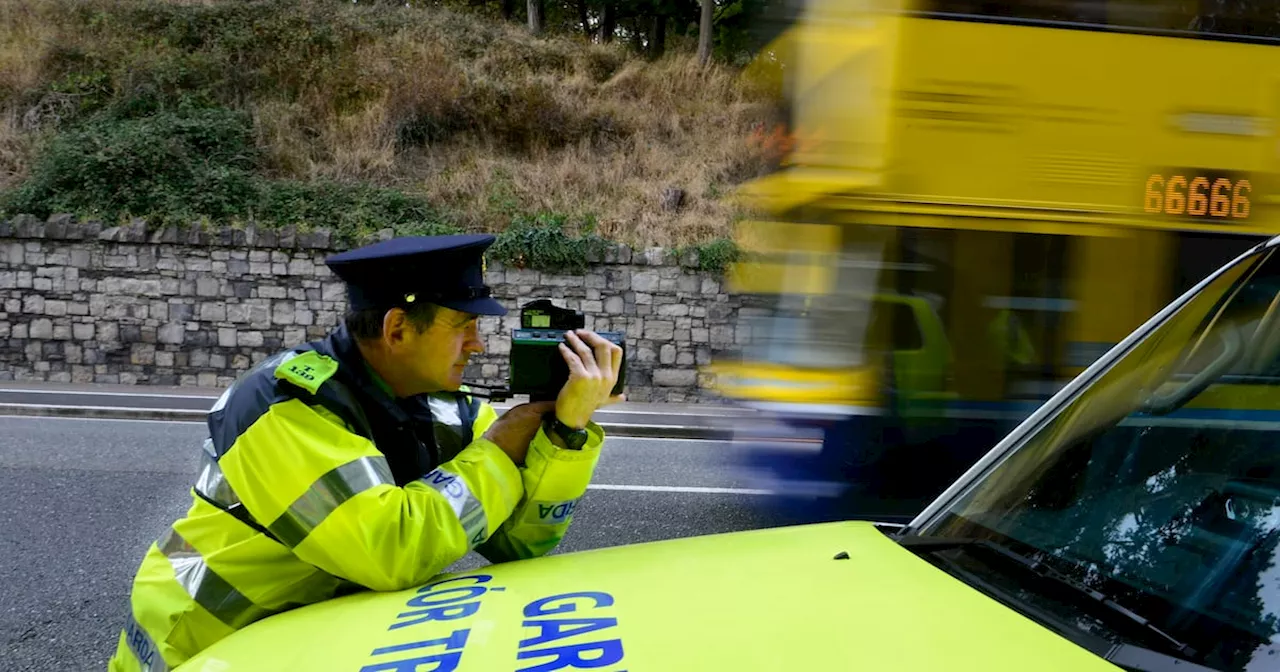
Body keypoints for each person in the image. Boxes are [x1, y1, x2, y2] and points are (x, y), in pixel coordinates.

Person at [107, 234, 623, 672]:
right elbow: (391, 551)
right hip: (200, 643)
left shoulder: (445, 409)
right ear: (397, 328)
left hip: (306, 641)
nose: (478, 346)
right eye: (463, 327)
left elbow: (519, 545)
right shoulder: (282, 407)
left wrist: (565, 431)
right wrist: (498, 451)